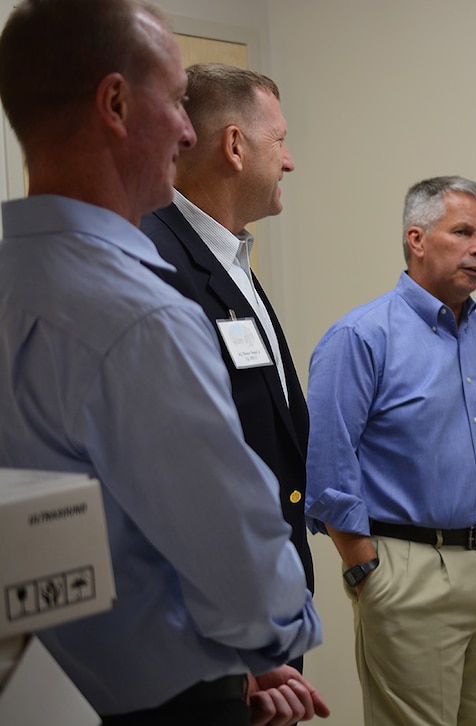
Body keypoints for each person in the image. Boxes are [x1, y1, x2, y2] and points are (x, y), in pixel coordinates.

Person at [0, 1, 327, 724]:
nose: (187, 132)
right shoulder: (138, 315)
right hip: (171, 700)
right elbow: (236, 560)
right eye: (177, 101)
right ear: (115, 103)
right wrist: (276, 631)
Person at [306, 176, 476, 725]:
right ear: (416, 239)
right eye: (463, 231)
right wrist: (366, 572)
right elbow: (327, 466)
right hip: (412, 573)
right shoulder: (360, 337)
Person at [140, 63, 315, 645]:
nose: (289, 161)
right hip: (221, 626)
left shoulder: (229, 257)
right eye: (280, 141)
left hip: (266, 599)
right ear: (235, 146)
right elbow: (172, 471)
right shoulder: (155, 261)